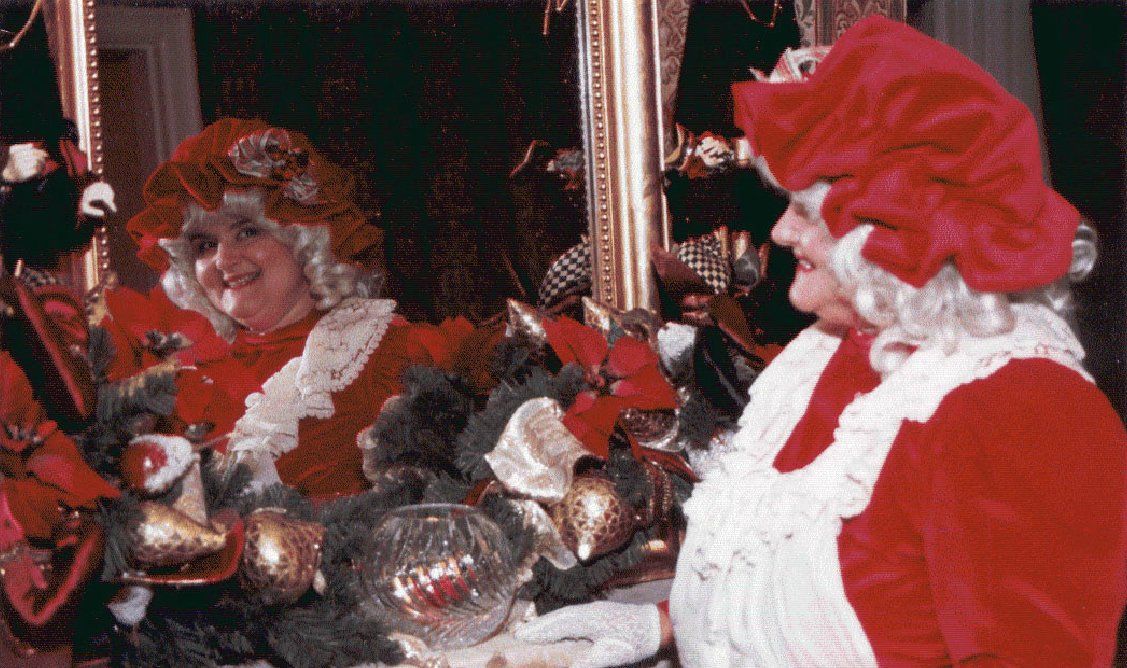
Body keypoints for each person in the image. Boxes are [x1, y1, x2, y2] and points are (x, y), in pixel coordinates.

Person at [516, 17, 1127, 667]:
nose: (779, 233)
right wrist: (662, 626)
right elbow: (851, 582)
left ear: (895, 231)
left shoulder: (1022, 410)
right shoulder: (828, 353)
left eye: (804, 210)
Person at [123, 118, 433, 497]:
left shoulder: (391, 351)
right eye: (205, 245)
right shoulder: (174, 381)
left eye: (247, 232)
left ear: (303, 240)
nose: (223, 260)